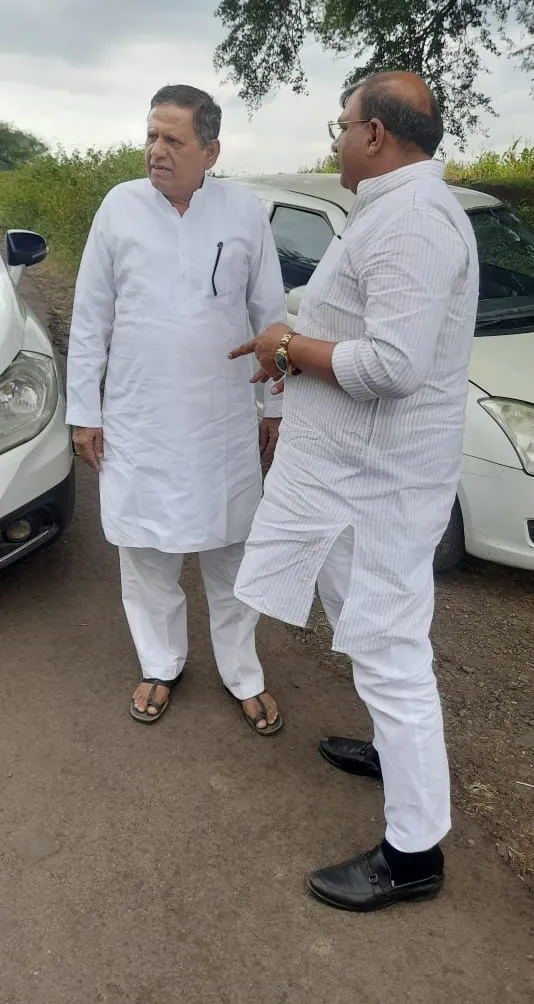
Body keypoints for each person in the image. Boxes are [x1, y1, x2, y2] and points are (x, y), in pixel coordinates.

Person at [230, 71, 479, 910]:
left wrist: (288, 345)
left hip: (378, 490)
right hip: (349, 479)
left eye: (342, 124)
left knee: (393, 655)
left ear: (374, 135)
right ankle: (391, 751)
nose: (335, 138)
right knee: (367, 633)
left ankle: (413, 855)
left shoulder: (414, 222)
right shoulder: (390, 208)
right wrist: (293, 339)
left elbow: (392, 366)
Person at [66, 83, 286, 732]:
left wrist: (277, 407)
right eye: (151, 136)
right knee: (145, 552)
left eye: (173, 140)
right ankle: (160, 663)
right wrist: (85, 411)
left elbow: (270, 316)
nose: (155, 151)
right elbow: (90, 317)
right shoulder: (119, 207)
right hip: (141, 419)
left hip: (222, 422)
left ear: (210, 151)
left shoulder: (244, 212)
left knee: (232, 550)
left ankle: (243, 673)